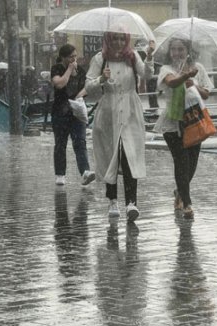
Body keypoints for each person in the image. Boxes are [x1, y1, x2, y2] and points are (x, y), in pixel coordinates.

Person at [85, 31, 154, 221]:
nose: (118, 42)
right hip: (109, 110)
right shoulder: (100, 59)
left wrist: (149, 56)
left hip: (130, 109)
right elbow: (88, 85)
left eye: (122, 38)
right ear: (108, 39)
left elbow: (147, 74)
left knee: (130, 154)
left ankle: (132, 201)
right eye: (114, 38)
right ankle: (112, 200)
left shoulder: (132, 57)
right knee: (110, 154)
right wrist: (101, 79)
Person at [154, 37, 212, 219]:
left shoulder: (198, 68)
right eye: (174, 50)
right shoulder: (166, 69)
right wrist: (186, 76)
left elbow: (207, 93)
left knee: (192, 163)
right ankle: (187, 203)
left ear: (188, 50)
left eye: (181, 49)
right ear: (169, 52)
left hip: (194, 120)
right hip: (173, 123)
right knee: (181, 162)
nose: (177, 53)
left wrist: (193, 82)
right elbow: (171, 82)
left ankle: (179, 192)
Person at [50, 44, 95, 186]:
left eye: (75, 56)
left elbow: (86, 88)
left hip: (77, 112)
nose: (74, 59)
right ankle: (60, 174)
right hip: (60, 111)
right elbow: (59, 84)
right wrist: (69, 70)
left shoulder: (81, 71)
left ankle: (85, 172)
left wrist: (78, 97)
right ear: (63, 57)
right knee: (60, 143)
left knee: (80, 142)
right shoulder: (57, 68)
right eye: (71, 57)